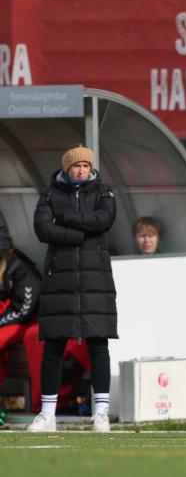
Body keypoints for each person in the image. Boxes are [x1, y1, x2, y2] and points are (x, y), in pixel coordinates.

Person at [28, 145, 117, 432]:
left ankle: (101, 413)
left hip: (95, 281)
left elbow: (104, 220)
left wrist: (64, 219)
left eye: (85, 166)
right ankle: (47, 415)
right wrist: (81, 234)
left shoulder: (104, 192)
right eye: (76, 166)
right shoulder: (50, 193)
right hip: (60, 280)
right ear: (66, 168)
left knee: (98, 344)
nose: (81, 170)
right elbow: (42, 229)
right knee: (53, 345)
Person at [0, 245, 42, 384]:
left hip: (26, 322)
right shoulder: (7, 269)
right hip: (15, 319)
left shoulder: (21, 268)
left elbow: (25, 311)